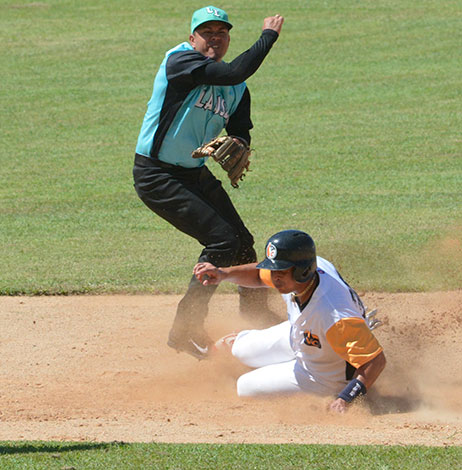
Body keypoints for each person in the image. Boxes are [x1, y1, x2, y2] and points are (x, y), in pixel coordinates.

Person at [133, 5, 285, 360]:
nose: (215, 38)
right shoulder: (180, 61)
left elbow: (240, 128)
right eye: (207, 32)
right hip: (156, 174)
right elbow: (235, 70)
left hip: (193, 174)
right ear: (193, 38)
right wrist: (268, 36)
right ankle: (185, 331)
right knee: (221, 240)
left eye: (222, 33)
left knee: (243, 243)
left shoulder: (236, 90)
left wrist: (241, 143)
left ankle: (257, 314)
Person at [194, 230, 387, 412]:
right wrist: (224, 273)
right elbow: (258, 275)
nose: (274, 277)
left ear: (302, 271)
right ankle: (272, 364)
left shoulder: (333, 315)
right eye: (273, 269)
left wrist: (345, 398)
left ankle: (279, 371)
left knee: (244, 386)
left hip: (323, 375)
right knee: (238, 349)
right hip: (301, 335)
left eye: (281, 272)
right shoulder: (306, 271)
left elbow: (374, 361)